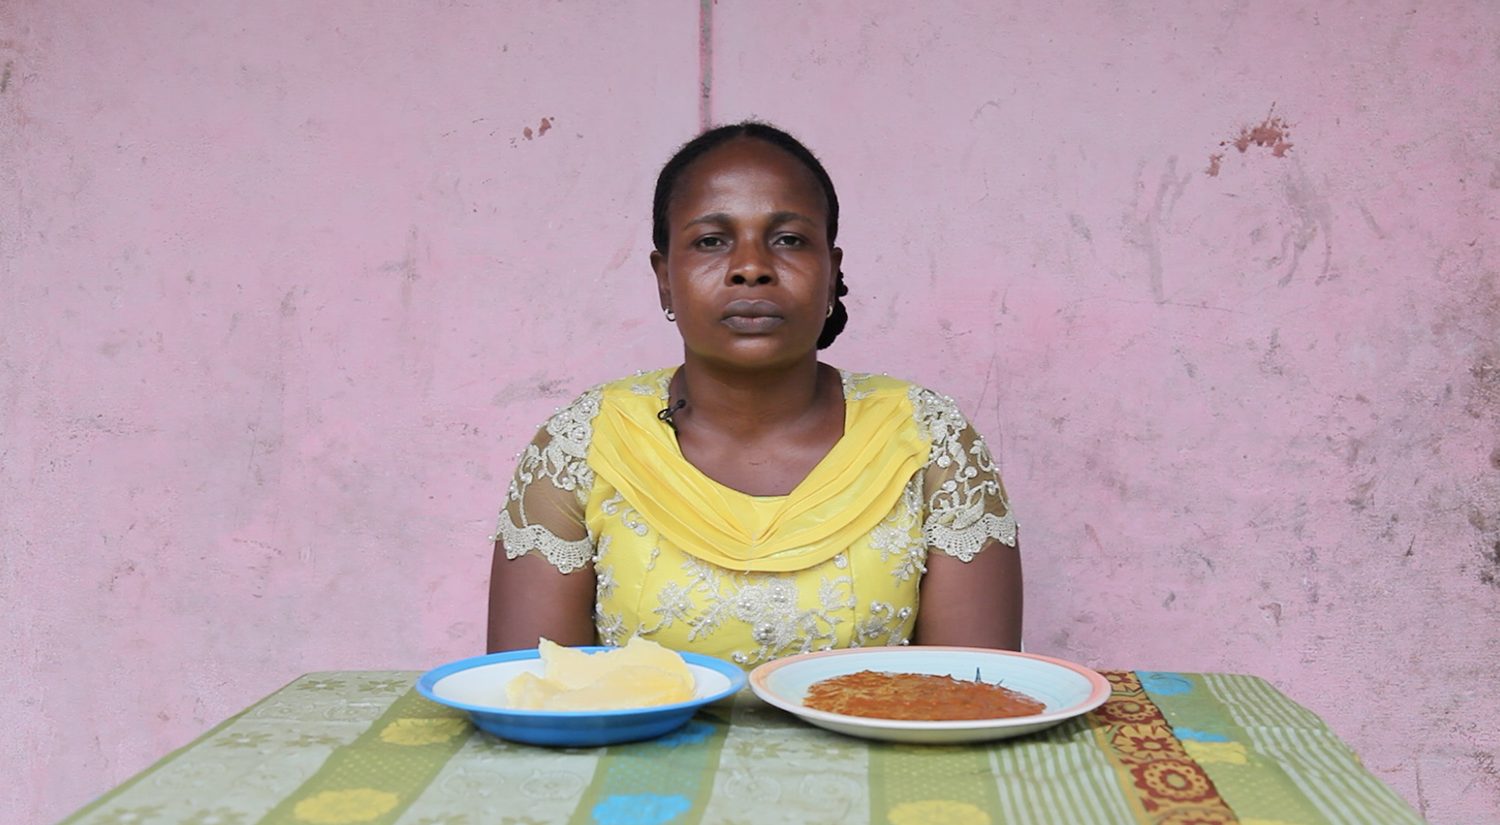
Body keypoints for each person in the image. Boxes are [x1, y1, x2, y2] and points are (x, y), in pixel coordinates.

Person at [487, 121, 1022, 666]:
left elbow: (975, 692)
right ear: (665, 278)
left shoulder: (928, 441)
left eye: (788, 240)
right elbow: (531, 689)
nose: (751, 268)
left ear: (831, 272)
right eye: (711, 242)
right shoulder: (585, 444)